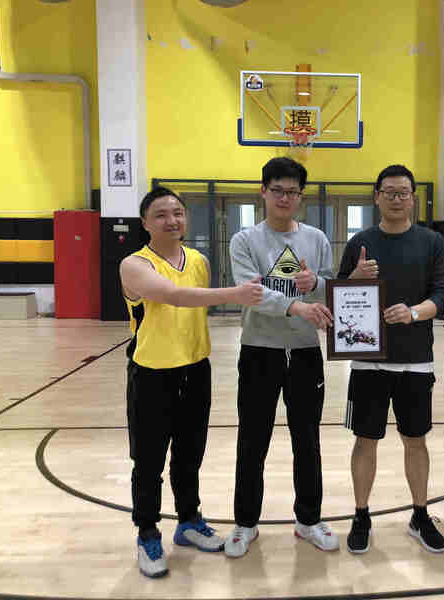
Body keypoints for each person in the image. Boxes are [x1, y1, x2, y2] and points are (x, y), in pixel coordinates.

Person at [119, 186, 264, 578]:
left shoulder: (198, 260)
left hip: (196, 370)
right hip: (152, 373)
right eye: (162, 214)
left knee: (189, 455)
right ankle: (147, 533)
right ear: (145, 222)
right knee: (148, 461)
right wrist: (236, 294)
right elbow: (174, 295)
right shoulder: (135, 265)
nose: (172, 220)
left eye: (178, 213)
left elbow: (195, 301)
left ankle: (188, 521)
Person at [224, 157, 339, 558]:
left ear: (300, 196)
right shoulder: (245, 241)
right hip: (260, 351)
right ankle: (245, 523)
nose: (285, 198)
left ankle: (308, 520)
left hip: (306, 353)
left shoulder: (316, 239)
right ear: (263, 191)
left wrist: (316, 281)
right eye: (278, 190)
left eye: (292, 192)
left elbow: (328, 288)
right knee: (252, 439)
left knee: (307, 440)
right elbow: (251, 293)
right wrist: (297, 305)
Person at [338, 164, 444, 554]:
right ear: (377, 197)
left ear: (413, 198)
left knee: (415, 440)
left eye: (403, 192)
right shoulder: (360, 242)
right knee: (365, 439)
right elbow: (340, 294)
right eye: (388, 192)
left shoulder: (432, 242)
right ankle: (361, 515)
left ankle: (420, 514)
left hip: (415, 361)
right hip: (367, 360)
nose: (396, 199)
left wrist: (415, 312)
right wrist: (355, 278)